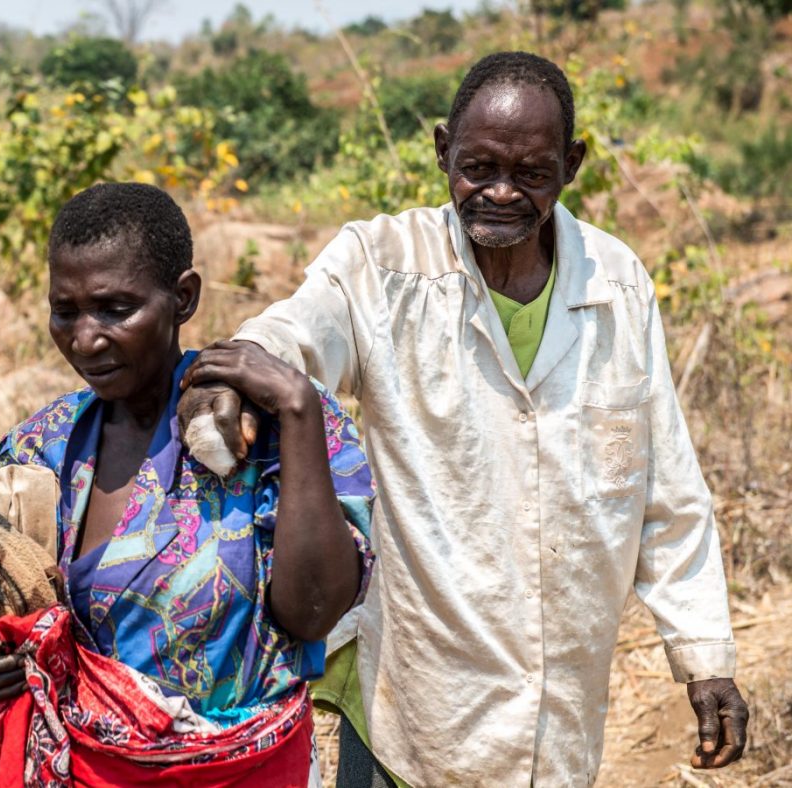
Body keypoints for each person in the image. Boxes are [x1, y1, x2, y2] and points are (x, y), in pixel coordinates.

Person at [177, 51, 749, 786]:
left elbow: (665, 490)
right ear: (443, 149)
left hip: (560, 716)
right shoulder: (381, 265)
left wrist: (704, 656)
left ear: (572, 164)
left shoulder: (617, 285)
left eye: (532, 173)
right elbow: (295, 330)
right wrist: (233, 373)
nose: (501, 193)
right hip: (417, 705)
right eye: (478, 167)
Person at [0, 181, 376, 782]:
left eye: (115, 309)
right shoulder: (42, 448)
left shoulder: (269, 427)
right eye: (66, 310)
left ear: (183, 298)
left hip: (249, 771)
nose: (85, 338)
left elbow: (313, 613)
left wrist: (296, 409)